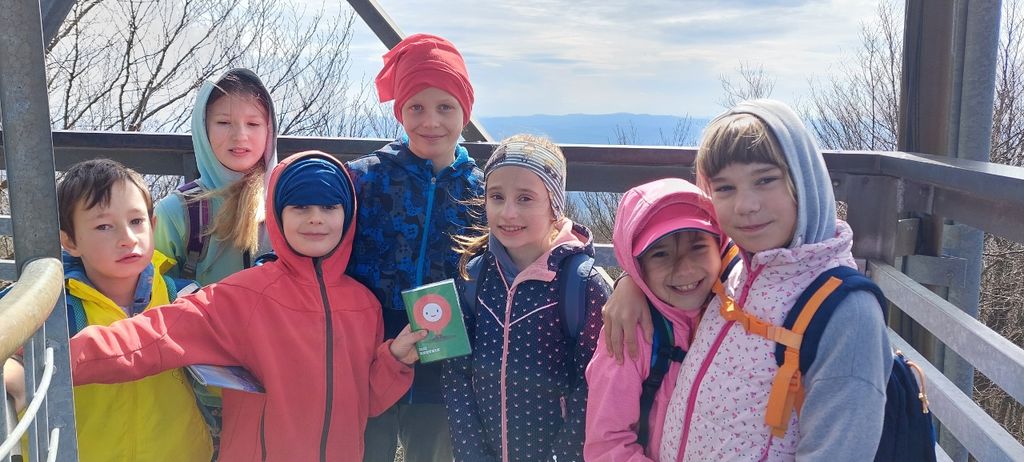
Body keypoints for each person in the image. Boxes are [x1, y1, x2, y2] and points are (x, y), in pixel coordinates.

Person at [68, 151, 426, 461]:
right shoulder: (244, 294)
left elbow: (366, 402)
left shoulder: (364, 306)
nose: (316, 217)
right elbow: (153, 335)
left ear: (347, 215)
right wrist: (56, 360)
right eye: (300, 206)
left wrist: (395, 359)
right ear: (277, 214)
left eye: (330, 206)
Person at [603, 100, 890, 460]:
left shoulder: (847, 312)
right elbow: (673, 268)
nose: (746, 205)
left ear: (803, 180)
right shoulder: (734, 267)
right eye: (724, 188)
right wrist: (630, 282)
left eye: (765, 180)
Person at [4, 158, 212, 461]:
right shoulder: (54, 308)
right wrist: (13, 372)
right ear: (69, 241)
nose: (127, 238)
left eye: (137, 221)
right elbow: (13, 353)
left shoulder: (181, 297)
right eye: (104, 226)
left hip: (179, 452)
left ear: (153, 226)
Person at [347, 33, 484, 462]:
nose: (431, 121)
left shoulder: (483, 191)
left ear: (465, 112)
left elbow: (542, 232)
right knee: (365, 450)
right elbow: (309, 228)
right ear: (400, 112)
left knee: (434, 452)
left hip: (448, 359)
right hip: (371, 351)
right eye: (416, 108)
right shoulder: (364, 178)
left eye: (445, 107)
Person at [441, 134, 609, 462]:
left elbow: (594, 387)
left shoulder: (582, 284)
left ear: (554, 205)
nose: (508, 212)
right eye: (497, 196)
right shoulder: (474, 276)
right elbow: (456, 372)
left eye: (525, 198)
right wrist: (472, 454)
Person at [584, 178, 728, 461]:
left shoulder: (737, 311)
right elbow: (607, 446)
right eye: (661, 254)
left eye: (698, 246)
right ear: (638, 266)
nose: (684, 268)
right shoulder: (630, 334)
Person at [154, 68, 278, 286]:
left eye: (253, 124)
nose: (240, 136)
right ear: (203, 129)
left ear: (269, 130)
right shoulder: (176, 212)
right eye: (224, 123)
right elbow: (153, 291)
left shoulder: (287, 205)